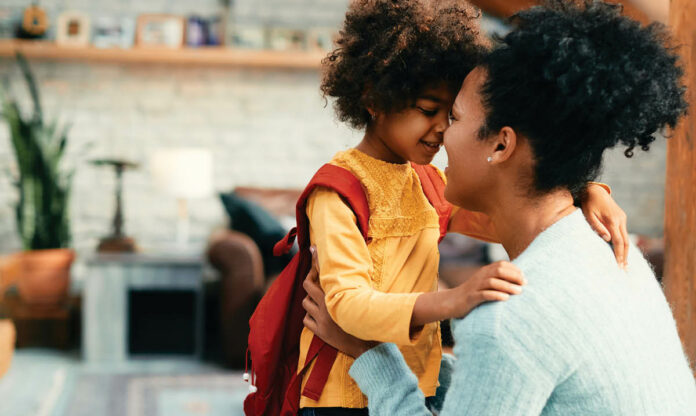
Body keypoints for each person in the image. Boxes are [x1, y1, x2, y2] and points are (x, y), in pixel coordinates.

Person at [302, 1, 696, 415]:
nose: (441, 136)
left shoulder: (506, 322)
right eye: (432, 112)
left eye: (452, 116)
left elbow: (509, 346)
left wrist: (370, 354)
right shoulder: (613, 251)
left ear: (502, 144)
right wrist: (581, 191)